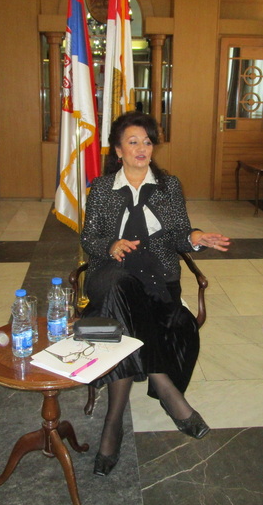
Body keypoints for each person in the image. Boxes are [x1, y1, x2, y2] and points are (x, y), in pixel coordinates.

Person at [80, 111, 230, 476]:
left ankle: (113, 423)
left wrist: (196, 237)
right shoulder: (102, 187)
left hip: (156, 279)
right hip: (109, 274)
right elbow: (88, 238)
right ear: (118, 150)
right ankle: (164, 386)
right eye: (133, 142)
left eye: (147, 142)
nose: (142, 148)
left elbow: (179, 233)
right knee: (119, 286)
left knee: (123, 318)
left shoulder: (168, 185)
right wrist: (110, 246)